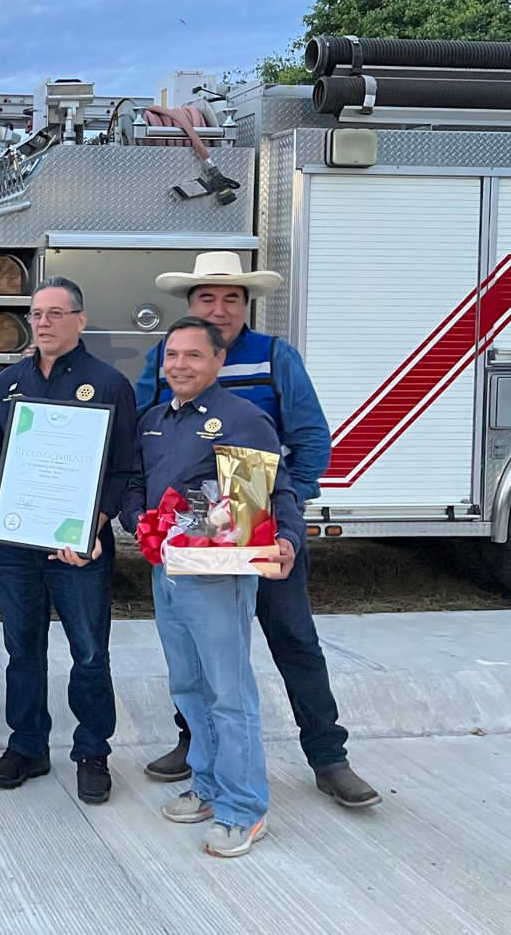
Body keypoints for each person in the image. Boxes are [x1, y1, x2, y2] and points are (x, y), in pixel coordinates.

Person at [134, 251, 378, 809]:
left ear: (246, 305)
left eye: (232, 298)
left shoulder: (275, 357)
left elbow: (311, 435)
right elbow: (149, 429)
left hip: (263, 530)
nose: (219, 307)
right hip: (195, 538)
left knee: (292, 639)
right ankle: (198, 748)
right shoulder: (165, 358)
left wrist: (283, 509)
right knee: (199, 649)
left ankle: (328, 756)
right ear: (190, 304)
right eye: (207, 298)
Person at [122, 316, 300, 858]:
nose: (180, 365)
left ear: (218, 362)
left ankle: (243, 810)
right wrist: (141, 523)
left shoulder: (241, 419)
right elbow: (134, 483)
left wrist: (288, 537)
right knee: (189, 687)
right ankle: (206, 784)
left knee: (229, 694)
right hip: (167, 571)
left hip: (217, 575)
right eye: (172, 355)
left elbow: (270, 492)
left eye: (193, 356)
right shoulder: (154, 420)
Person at [0, 276, 137, 805]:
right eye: (36, 313)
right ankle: (28, 747)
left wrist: (97, 523)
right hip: (19, 546)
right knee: (23, 650)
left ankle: (93, 752)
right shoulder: (8, 384)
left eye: (54, 313)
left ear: (80, 320)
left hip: (80, 547)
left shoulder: (109, 384)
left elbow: (124, 467)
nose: (42, 322)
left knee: (89, 652)